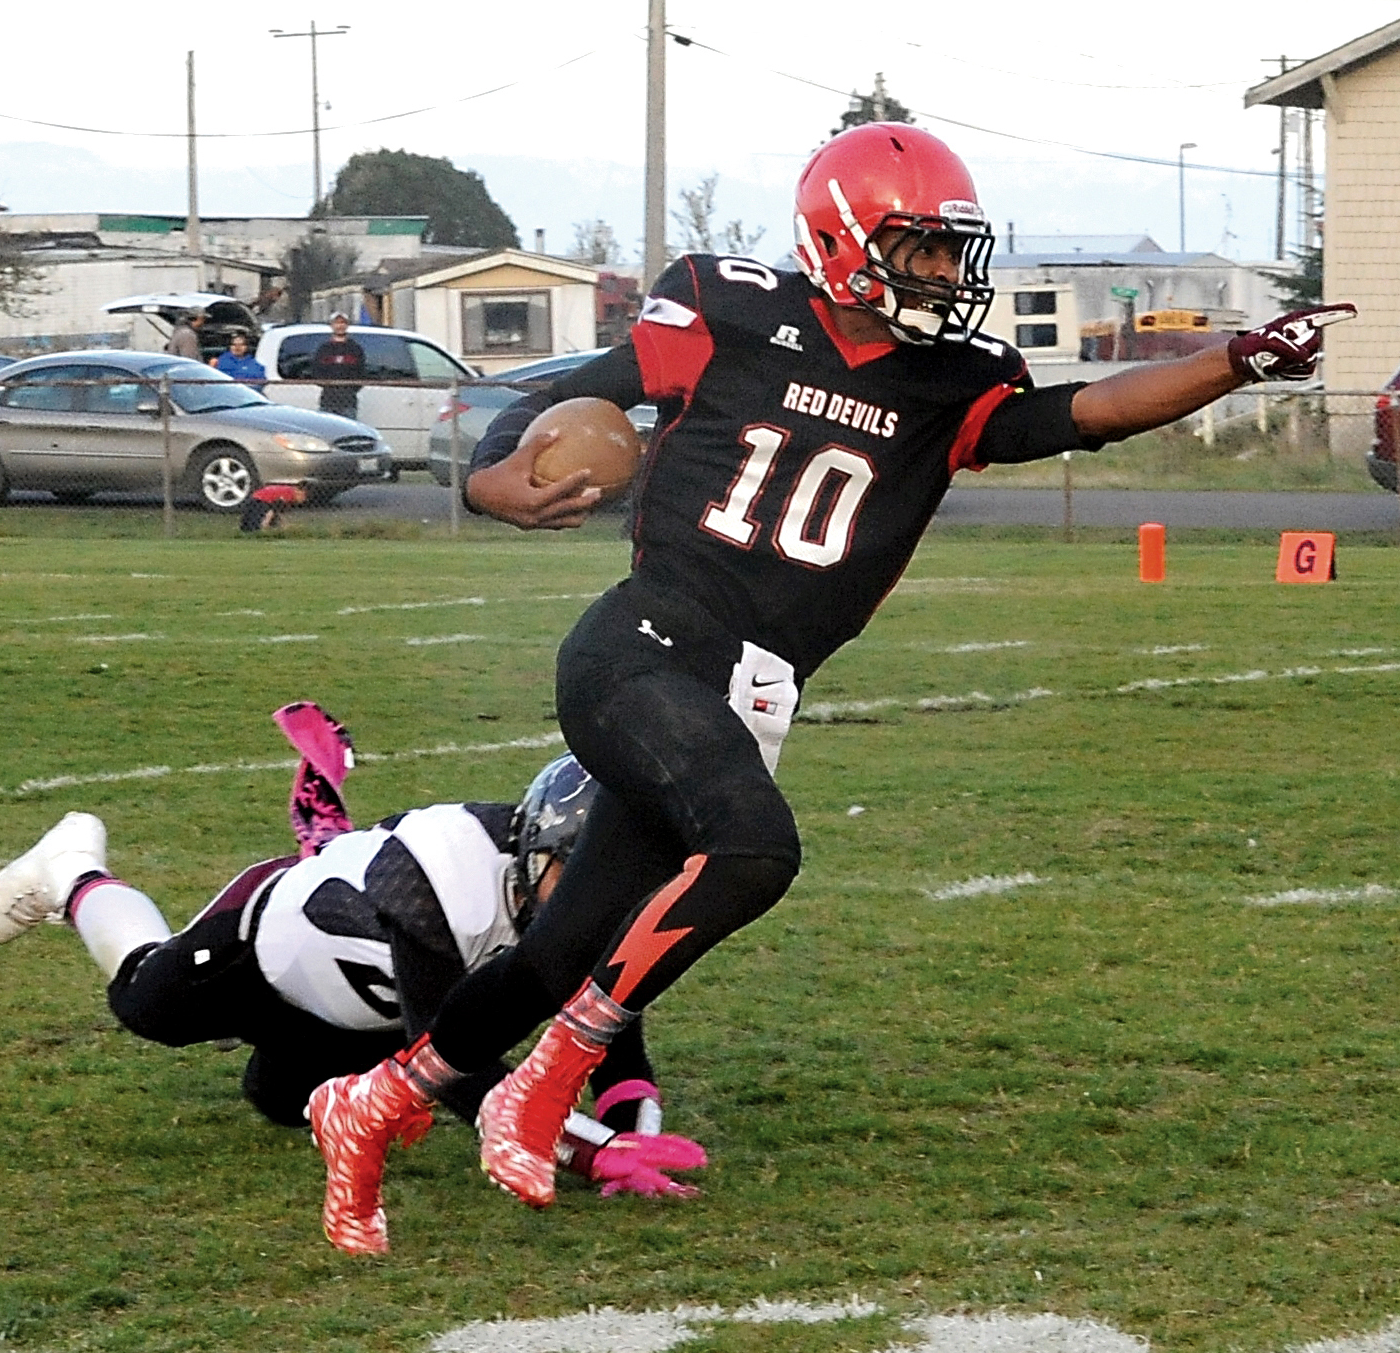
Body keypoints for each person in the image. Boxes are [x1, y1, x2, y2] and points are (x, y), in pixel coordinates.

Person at [306, 122, 1357, 1252]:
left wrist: (1234, 361)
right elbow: (577, 389)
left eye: (956, 253)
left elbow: (1087, 413)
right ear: (844, 240)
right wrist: (488, 480)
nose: (948, 276)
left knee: (561, 946)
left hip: (750, 693)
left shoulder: (954, 381)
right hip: (646, 647)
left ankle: (373, 1102)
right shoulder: (727, 309)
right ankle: (543, 1082)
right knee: (755, 850)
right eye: (922, 250)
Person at [0, 703, 704, 1253]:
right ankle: (72, 868)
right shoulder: (445, 878)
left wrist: (629, 1131)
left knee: (282, 1098)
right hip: (261, 951)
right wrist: (592, 1151)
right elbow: (451, 1063)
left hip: (359, 1011)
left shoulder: (565, 898)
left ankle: (324, 829)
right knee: (144, 1001)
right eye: (579, 877)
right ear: (537, 846)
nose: (597, 902)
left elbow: (612, 1036)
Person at [312, 312, 365, 420]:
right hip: (328, 400)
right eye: (336, 323)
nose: (340, 326)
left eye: (343, 323)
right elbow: (316, 372)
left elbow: (362, 372)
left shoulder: (355, 348)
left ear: (347, 325)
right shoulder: (324, 349)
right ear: (331, 325)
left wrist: (351, 387)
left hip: (349, 401)